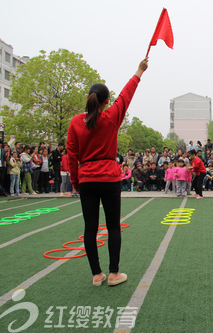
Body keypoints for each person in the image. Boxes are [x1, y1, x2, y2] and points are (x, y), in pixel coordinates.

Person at [66, 57, 148, 287]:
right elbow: (126, 95)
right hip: (109, 177)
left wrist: (75, 181)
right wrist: (139, 71)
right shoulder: (111, 117)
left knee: (90, 228)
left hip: (87, 180)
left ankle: (96, 274)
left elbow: (71, 157)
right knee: (113, 226)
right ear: (106, 101)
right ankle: (113, 274)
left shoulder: (75, 123)